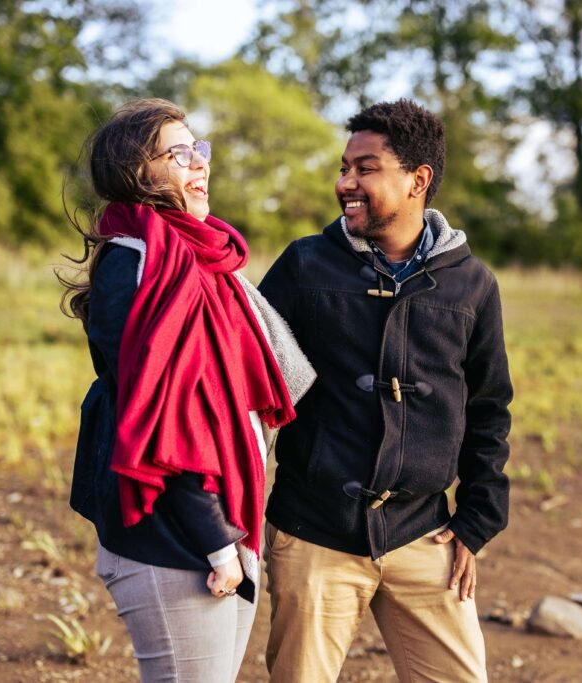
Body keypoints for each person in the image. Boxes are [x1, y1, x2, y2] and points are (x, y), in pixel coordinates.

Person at [258, 99, 513, 682]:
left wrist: (476, 520)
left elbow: (488, 408)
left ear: (417, 179)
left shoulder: (472, 285)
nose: (345, 183)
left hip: (426, 537)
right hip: (314, 533)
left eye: (365, 168)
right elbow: (249, 382)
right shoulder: (305, 265)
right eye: (345, 167)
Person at [60, 98, 314, 682]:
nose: (200, 165)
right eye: (179, 153)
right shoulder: (139, 265)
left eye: (199, 149)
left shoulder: (201, 261)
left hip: (226, 511)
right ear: (137, 173)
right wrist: (217, 542)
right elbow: (161, 421)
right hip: (177, 534)